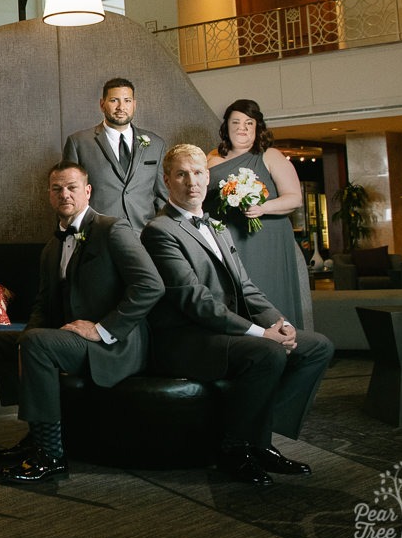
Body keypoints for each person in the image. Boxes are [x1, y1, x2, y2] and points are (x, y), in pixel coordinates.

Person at [142, 145, 333, 486]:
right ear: (167, 180)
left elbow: (246, 288)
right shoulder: (159, 231)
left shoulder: (217, 226)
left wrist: (281, 323)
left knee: (317, 347)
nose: (192, 182)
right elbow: (195, 302)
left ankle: (258, 439)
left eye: (199, 173)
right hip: (187, 338)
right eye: (182, 174)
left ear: (208, 177)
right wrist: (262, 335)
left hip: (225, 332)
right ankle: (234, 448)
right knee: (268, 351)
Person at [0, 162, 162, 484]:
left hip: (114, 345)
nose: (64, 194)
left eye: (71, 187)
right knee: (0, 342)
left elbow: (151, 286)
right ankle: (37, 431)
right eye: (57, 189)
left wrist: (103, 329)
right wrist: (26, 340)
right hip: (71, 339)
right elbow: (42, 304)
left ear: (87, 191)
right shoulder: (53, 245)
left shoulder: (113, 229)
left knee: (35, 343)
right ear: (49, 195)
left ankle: (51, 455)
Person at [206, 98, 310, 330]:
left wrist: (262, 208)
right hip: (225, 238)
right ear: (226, 127)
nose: (241, 128)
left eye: (248, 123)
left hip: (264, 240)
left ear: (257, 127)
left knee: (266, 292)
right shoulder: (211, 157)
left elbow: (294, 198)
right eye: (236, 122)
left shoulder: (270, 156)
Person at [63, 77, 167, 229]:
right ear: (102, 104)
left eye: (127, 101)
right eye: (114, 100)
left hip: (144, 235)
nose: (121, 107)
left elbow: (162, 196)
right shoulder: (78, 143)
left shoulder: (156, 144)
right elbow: (69, 196)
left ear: (134, 104)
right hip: (99, 234)